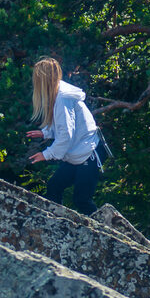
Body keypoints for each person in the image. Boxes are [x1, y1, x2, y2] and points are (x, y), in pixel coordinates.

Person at [27, 57, 103, 214]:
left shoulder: (62, 98)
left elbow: (66, 135)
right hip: (79, 153)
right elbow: (66, 126)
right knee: (54, 186)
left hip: (88, 154)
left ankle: (104, 235)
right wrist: (45, 133)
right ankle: (57, 226)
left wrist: (46, 154)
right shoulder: (59, 94)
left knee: (82, 199)